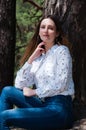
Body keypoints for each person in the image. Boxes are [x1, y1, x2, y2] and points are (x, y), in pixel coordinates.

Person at [0, 14, 75, 130]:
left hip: (59, 109)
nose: (46, 30)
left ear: (57, 33)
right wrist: (31, 59)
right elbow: (19, 84)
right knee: (7, 91)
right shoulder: (38, 58)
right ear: (39, 31)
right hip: (43, 105)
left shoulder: (62, 51)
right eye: (43, 27)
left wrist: (34, 92)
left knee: (3, 117)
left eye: (50, 28)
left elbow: (61, 84)